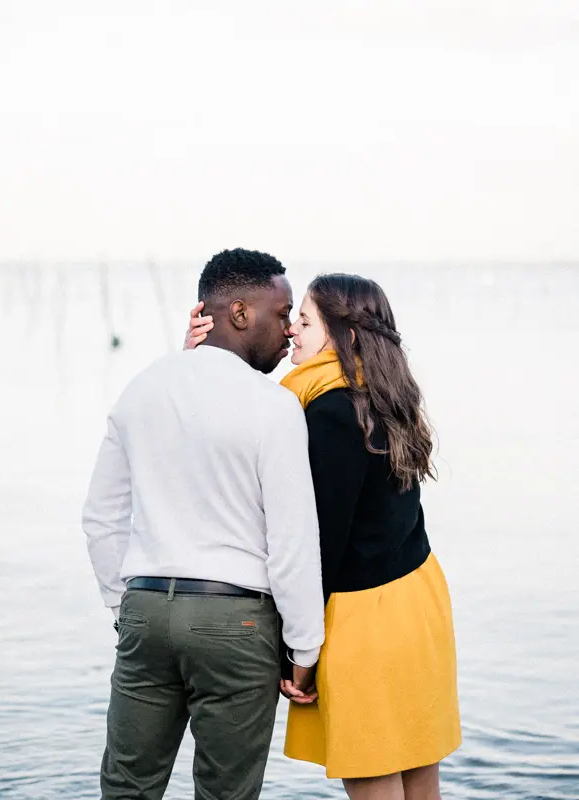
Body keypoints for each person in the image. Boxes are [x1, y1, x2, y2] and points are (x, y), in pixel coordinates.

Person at [187, 272, 462, 800]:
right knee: (417, 763)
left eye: (306, 321)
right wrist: (204, 362)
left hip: (367, 618)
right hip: (416, 599)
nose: (291, 331)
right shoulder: (379, 395)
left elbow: (320, 544)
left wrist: (299, 655)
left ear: (347, 337)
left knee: (374, 765)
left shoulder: (331, 411)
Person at [82, 248, 325, 800]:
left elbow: (100, 518)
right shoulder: (274, 407)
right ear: (239, 313)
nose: (289, 331)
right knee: (226, 793)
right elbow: (291, 543)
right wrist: (304, 652)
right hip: (234, 621)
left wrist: (125, 609)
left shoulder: (140, 389)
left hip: (146, 607)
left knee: (127, 787)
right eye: (282, 312)